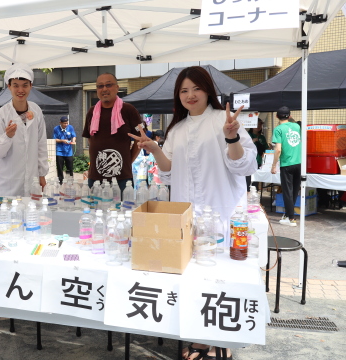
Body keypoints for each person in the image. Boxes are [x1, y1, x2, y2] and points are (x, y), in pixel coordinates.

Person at [129, 66, 257, 360]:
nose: (190, 95)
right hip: (186, 217)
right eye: (183, 91)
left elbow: (244, 166)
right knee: (193, 275)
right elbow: (169, 171)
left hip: (222, 212)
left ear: (207, 90)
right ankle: (199, 335)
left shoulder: (222, 122)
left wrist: (232, 137)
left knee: (219, 277)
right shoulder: (178, 129)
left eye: (195, 89)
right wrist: (154, 149)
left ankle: (215, 338)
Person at [0, 63, 48, 197]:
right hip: (7, 183)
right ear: (9, 87)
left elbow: (41, 145)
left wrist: (42, 175)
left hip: (31, 180)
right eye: (15, 85)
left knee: (31, 213)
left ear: (31, 86)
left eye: (25, 85)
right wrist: (7, 136)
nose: (20, 90)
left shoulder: (36, 111)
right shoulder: (2, 114)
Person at [82, 73, 143, 191]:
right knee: (95, 209)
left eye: (108, 85)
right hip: (96, 177)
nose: (104, 89)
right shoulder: (92, 112)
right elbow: (91, 139)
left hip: (122, 177)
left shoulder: (128, 110)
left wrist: (127, 161)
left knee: (123, 208)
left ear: (117, 88)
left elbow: (139, 139)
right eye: (100, 86)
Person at [271, 106, 301, 227]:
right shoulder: (297, 127)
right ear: (289, 116)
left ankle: (291, 218)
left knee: (287, 191)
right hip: (298, 163)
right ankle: (289, 214)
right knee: (294, 190)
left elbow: (278, 149)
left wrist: (273, 165)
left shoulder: (278, 129)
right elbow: (295, 123)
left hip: (286, 164)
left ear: (277, 116)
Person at [53, 116, 76, 184]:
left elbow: (73, 136)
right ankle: (61, 182)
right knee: (60, 168)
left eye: (67, 123)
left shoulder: (70, 127)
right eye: (64, 123)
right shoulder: (56, 129)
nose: (66, 125)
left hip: (68, 152)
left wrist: (73, 141)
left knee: (70, 168)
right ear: (60, 123)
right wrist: (62, 140)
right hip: (59, 152)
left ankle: (70, 181)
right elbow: (55, 139)